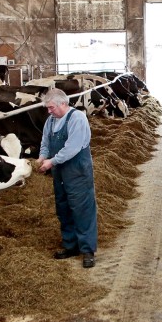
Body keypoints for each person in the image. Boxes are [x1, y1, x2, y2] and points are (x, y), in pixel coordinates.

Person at [37, 88, 98, 268]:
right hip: (60, 170)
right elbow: (45, 142)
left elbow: (72, 147)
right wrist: (41, 158)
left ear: (63, 104)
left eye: (51, 107)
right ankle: (70, 245)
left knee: (82, 208)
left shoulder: (77, 118)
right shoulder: (51, 120)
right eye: (47, 108)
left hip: (77, 169)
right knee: (63, 206)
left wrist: (51, 162)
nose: (49, 111)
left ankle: (87, 250)